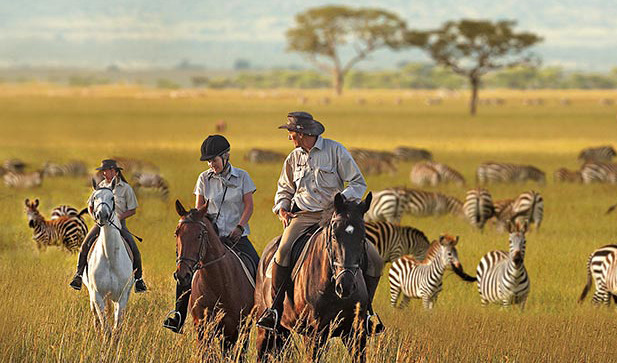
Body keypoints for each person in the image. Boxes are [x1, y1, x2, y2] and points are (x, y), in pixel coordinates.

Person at [257, 111, 384, 331]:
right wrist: (282, 208)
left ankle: (367, 312)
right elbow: (284, 189)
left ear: (302, 132)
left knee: (374, 259)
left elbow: (357, 183)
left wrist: (341, 201)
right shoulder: (293, 157)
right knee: (283, 251)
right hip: (304, 217)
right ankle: (275, 310)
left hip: (334, 216)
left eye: (291, 133)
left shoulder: (336, 151)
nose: (289, 138)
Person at [163, 134, 260, 333]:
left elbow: (248, 206)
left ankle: (264, 313)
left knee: (258, 269)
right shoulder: (203, 179)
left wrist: (240, 227)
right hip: (210, 238)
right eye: (208, 161)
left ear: (226, 156)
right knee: (185, 269)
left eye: (213, 160)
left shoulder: (242, 177)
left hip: (236, 238)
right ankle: (178, 315)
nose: (210, 165)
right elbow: (199, 210)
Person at [70, 159, 147, 293]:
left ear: (114, 171)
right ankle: (79, 275)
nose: (104, 174)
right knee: (85, 245)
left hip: (119, 224)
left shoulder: (126, 188)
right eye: (103, 171)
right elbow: (90, 205)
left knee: (134, 250)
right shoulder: (100, 186)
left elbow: (132, 210)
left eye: (106, 171)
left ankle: (139, 280)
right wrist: (94, 215)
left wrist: (118, 217)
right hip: (101, 223)